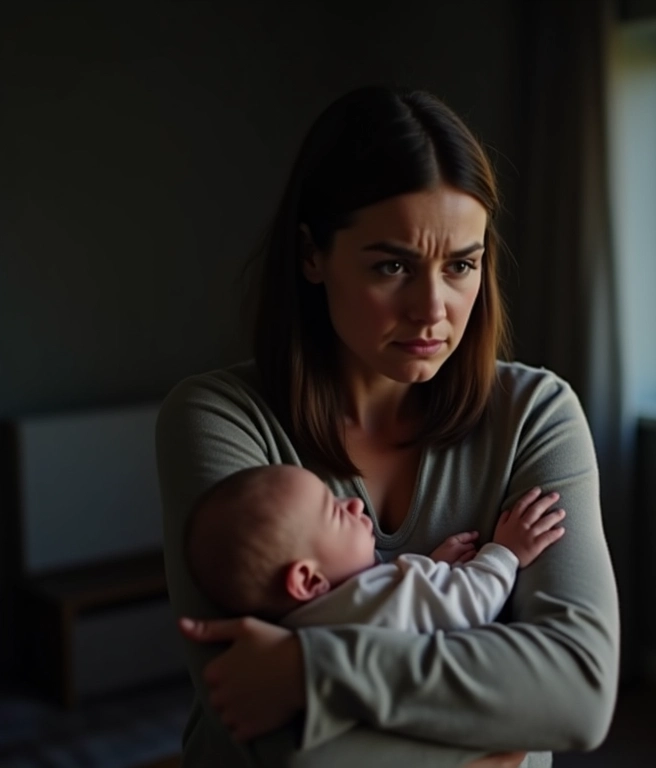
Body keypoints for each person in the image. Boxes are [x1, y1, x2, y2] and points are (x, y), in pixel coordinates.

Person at [156, 85, 620, 768]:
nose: (432, 310)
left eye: (461, 265)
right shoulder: (219, 418)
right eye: (392, 266)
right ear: (313, 255)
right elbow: (278, 743)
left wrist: (308, 672)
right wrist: (496, 733)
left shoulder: (535, 414)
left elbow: (578, 693)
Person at [185, 464, 566, 630]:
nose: (352, 503)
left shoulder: (297, 631)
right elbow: (469, 603)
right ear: (307, 579)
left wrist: (430, 568)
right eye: (333, 512)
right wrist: (506, 553)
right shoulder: (373, 601)